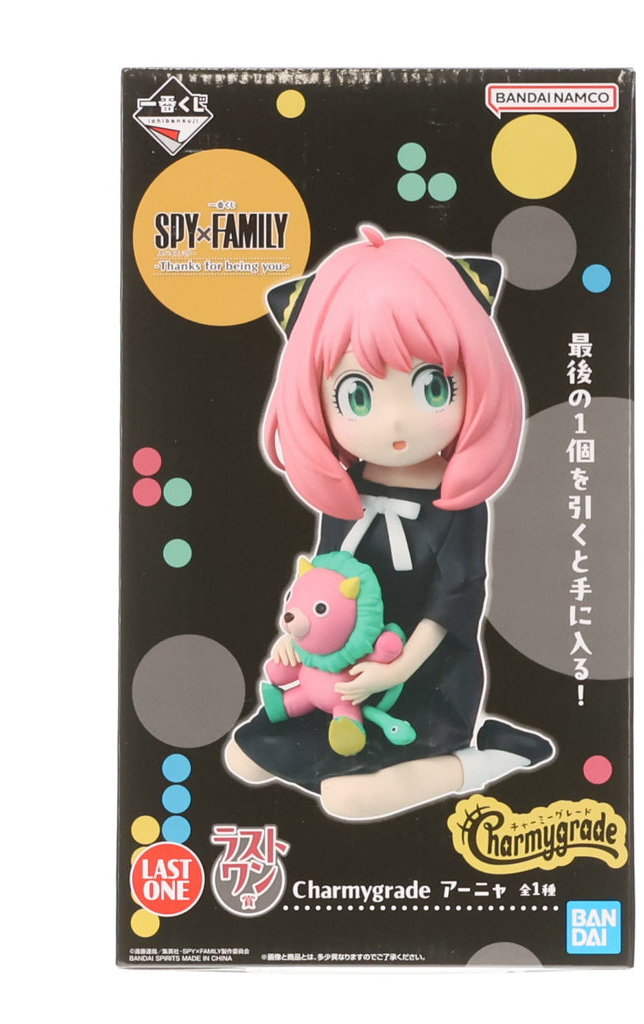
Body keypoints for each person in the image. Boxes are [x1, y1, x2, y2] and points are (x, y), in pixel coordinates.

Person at [225, 225, 553, 820]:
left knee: (348, 799)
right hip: (345, 672)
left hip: (428, 677)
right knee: (243, 759)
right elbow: (327, 582)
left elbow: (455, 600)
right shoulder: (345, 492)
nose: (396, 421)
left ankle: (485, 759)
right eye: (357, 395)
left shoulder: (458, 504)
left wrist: (397, 669)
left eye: (433, 387)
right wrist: (299, 639)